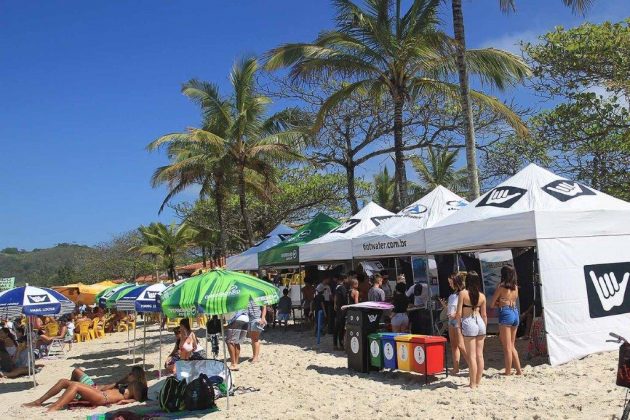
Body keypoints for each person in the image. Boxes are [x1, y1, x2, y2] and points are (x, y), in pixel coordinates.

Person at [24, 366, 147, 411]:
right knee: (63, 381)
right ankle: (38, 402)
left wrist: (126, 401)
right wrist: (124, 379)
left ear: (137, 376)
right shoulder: (127, 383)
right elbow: (115, 384)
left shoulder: (137, 385)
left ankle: (55, 407)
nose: (128, 374)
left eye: (131, 373)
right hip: (98, 392)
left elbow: (139, 400)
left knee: (75, 385)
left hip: (103, 398)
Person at [456, 271, 487, 389]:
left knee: (472, 356)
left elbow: (459, 313)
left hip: (469, 322)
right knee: (480, 355)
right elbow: (484, 315)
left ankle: (472, 383)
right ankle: (478, 381)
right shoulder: (482, 296)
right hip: (480, 323)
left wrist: (458, 327)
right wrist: (485, 328)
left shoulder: (463, 294)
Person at [490, 265, 523, 376]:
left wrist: (501, 302)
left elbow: (492, 304)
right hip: (515, 313)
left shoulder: (501, 286)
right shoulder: (515, 287)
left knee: (507, 346)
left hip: (506, 313)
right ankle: (518, 370)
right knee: (512, 345)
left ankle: (508, 371)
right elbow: (512, 300)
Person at [442, 272, 467, 374]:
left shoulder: (463, 293)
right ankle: (456, 368)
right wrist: (445, 306)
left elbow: (464, 308)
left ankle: (471, 364)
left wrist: (455, 314)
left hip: (458, 320)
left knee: (461, 345)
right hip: (451, 320)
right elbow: (451, 309)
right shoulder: (453, 294)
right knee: (454, 346)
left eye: (450, 282)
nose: (449, 284)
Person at [247, 296, 267, 363]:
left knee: (255, 339)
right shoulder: (246, 294)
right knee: (252, 338)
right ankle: (254, 355)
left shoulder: (258, 294)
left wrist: (263, 318)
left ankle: (256, 357)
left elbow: (264, 306)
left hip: (256, 318)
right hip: (248, 319)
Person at [332, 275, 349, 350]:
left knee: (337, 327)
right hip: (342, 309)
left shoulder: (337, 287)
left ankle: (335, 344)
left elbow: (335, 297)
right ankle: (341, 344)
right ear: (344, 279)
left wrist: (335, 304)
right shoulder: (342, 287)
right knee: (341, 327)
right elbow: (345, 299)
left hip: (338, 309)